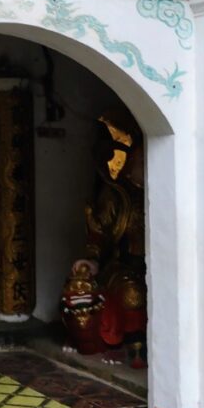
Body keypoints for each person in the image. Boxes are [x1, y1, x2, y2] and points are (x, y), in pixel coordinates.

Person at [80, 113, 147, 368]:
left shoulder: (165, 188)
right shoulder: (118, 195)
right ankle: (135, 347)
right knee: (132, 293)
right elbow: (100, 232)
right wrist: (92, 258)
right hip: (123, 264)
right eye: (140, 158)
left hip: (159, 263)